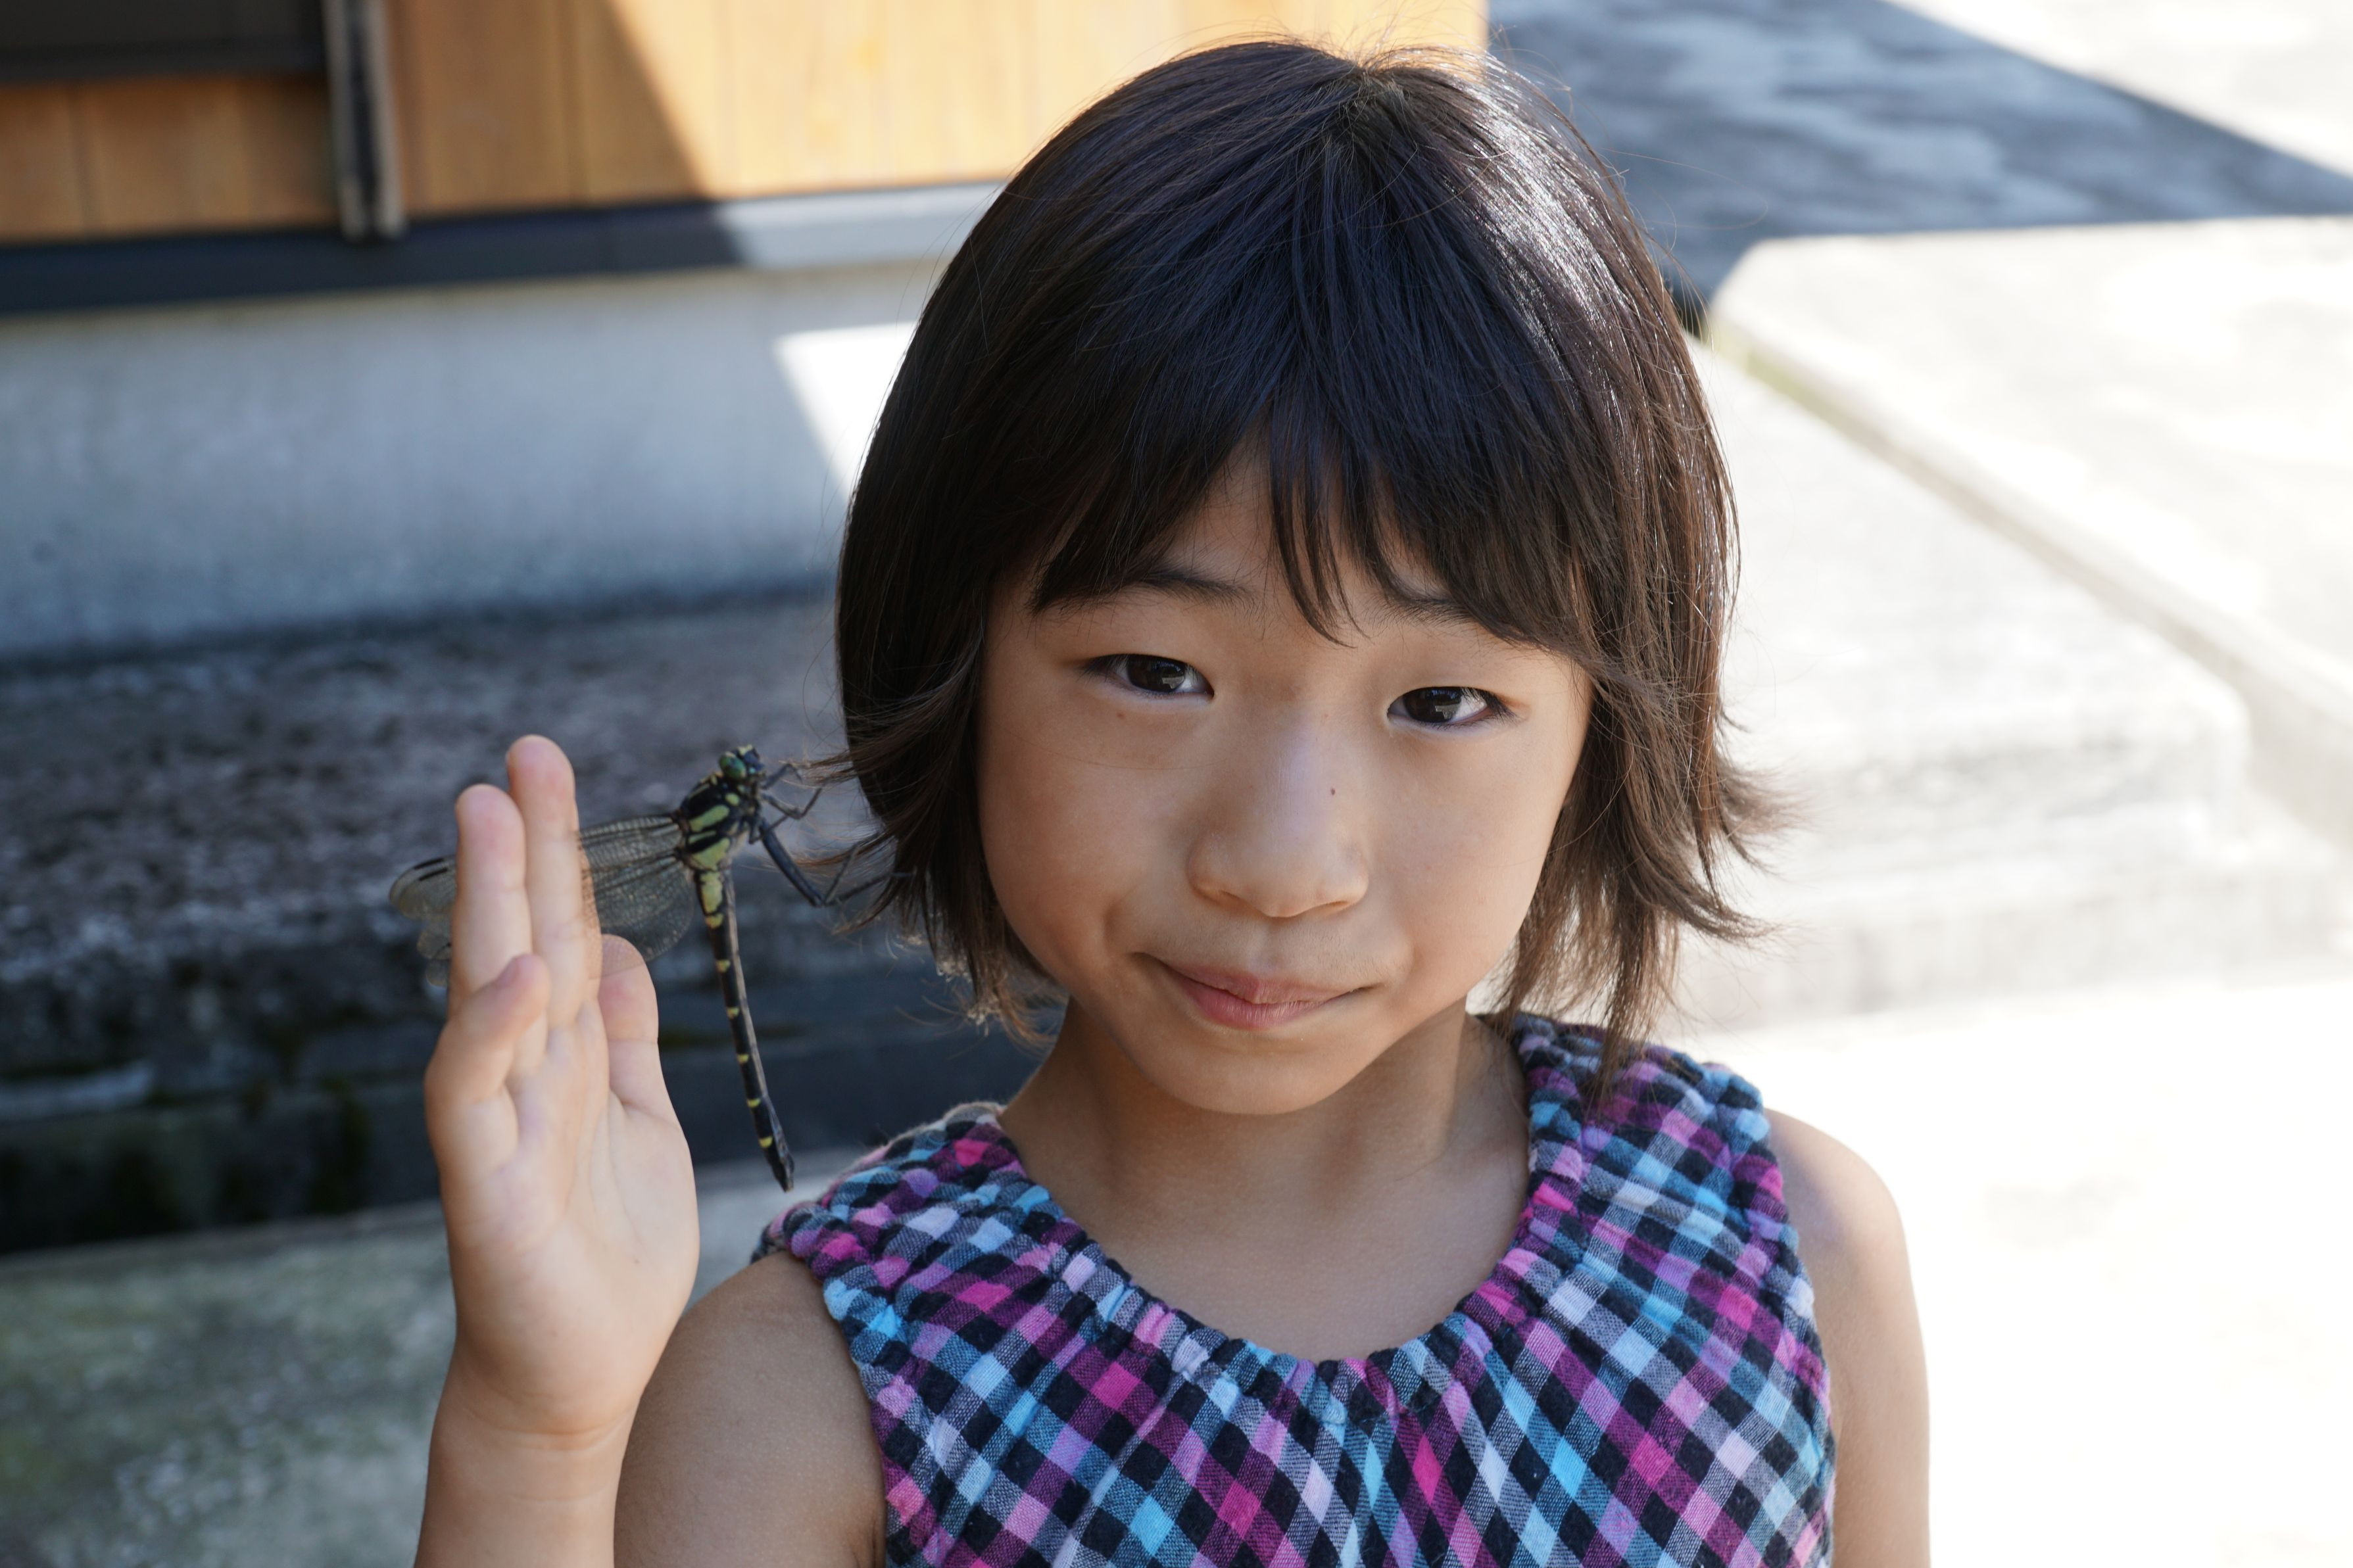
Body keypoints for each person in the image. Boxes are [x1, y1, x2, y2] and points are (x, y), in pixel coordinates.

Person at [411, 39, 1929, 1568]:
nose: (1282, 861)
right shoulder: (803, 1409)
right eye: (1155, 671)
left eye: (1440, 702)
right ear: (954, 661)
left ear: (1605, 731)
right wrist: (537, 1431)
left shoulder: (1794, 1259)